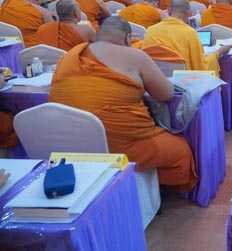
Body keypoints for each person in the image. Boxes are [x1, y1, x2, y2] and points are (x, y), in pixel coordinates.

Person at [49, 16, 198, 191]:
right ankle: (148, 192)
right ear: (128, 38)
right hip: (119, 147)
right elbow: (166, 94)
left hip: (70, 144)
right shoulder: (135, 55)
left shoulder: (69, 56)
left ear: (98, 34)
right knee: (181, 150)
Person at [143, 0, 225, 75]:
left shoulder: (150, 31)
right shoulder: (190, 33)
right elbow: (202, 67)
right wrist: (218, 52)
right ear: (189, 12)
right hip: (182, 81)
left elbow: (146, 61)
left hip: (156, 81)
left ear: (168, 10)